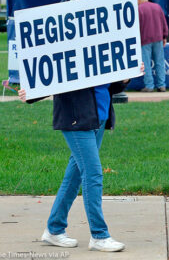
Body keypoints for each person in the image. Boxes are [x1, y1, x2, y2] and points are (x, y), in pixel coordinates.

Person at [17, 72, 142, 252]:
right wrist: (32, 93)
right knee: (93, 173)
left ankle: (54, 228)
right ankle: (99, 235)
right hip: (76, 118)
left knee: (74, 176)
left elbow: (109, 86)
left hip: (99, 116)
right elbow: (59, 71)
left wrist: (124, 77)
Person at [137, 0, 169, 92]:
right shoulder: (157, 7)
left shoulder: (138, 9)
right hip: (158, 38)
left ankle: (149, 86)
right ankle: (162, 85)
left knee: (146, 63)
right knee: (159, 62)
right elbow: (164, 23)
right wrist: (164, 36)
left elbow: (136, 26)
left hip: (145, 39)